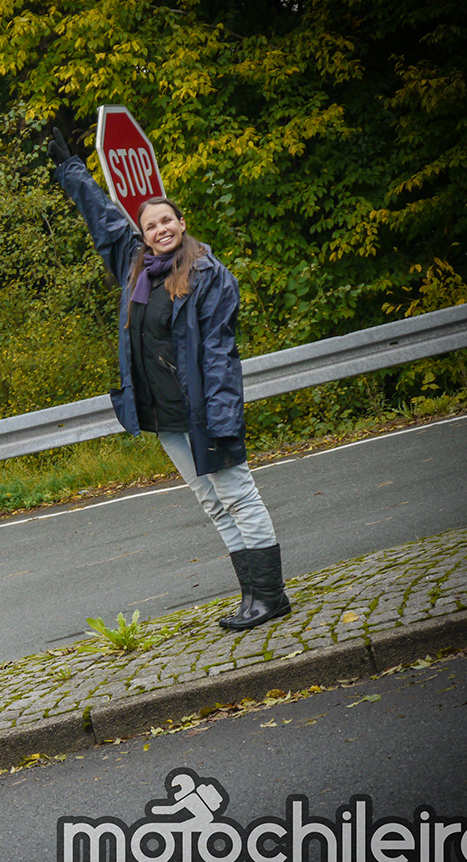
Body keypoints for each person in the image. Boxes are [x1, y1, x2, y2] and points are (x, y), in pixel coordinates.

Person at [47, 127, 290, 630]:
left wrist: (223, 417)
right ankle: (251, 595)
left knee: (238, 495)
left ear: (182, 223)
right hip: (166, 415)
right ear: (143, 233)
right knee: (213, 502)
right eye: (151, 224)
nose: (160, 229)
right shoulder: (136, 266)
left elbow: (219, 353)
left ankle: (271, 595)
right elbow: (103, 218)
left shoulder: (207, 275)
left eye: (167, 221)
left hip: (203, 410)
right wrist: (72, 172)